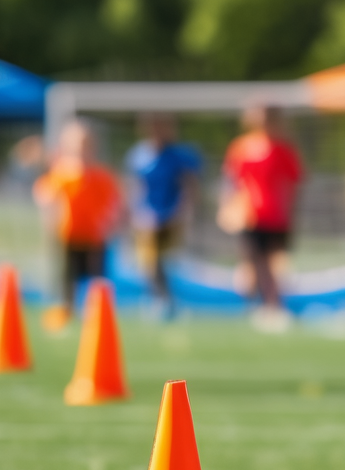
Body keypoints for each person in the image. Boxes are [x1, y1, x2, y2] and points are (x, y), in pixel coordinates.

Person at [219, 104, 303, 332]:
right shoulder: (242, 147)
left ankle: (274, 305)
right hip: (250, 216)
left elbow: (294, 183)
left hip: (277, 215)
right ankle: (265, 304)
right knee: (255, 263)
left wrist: (290, 211)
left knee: (274, 263)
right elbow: (231, 181)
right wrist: (227, 207)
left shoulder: (284, 148)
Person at [33, 120, 122, 331]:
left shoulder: (100, 176)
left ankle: (97, 315)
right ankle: (66, 311)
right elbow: (44, 193)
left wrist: (111, 223)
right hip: (67, 235)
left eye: (85, 145)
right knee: (67, 278)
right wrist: (50, 214)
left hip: (94, 236)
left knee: (97, 280)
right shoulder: (62, 172)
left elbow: (113, 201)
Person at [125, 114, 201, 317]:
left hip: (171, 216)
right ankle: (159, 299)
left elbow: (188, 186)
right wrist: (136, 212)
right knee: (148, 260)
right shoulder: (139, 154)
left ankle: (166, 299)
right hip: (146, 217)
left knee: (166, 260)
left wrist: (183, 212)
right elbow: (136, 187)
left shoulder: (180, 156)